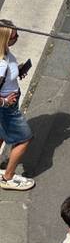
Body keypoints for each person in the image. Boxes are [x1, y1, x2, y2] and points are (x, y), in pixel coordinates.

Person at [0, 20, 35, 191]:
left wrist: (17, 72)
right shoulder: (1, 64)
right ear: (5, 39)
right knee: (24, 139)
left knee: (1, 135)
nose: (17, 37)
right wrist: (5, 101)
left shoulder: (4, 53)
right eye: (14, 36)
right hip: (6, 108)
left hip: (8, 104)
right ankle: (8, 177)